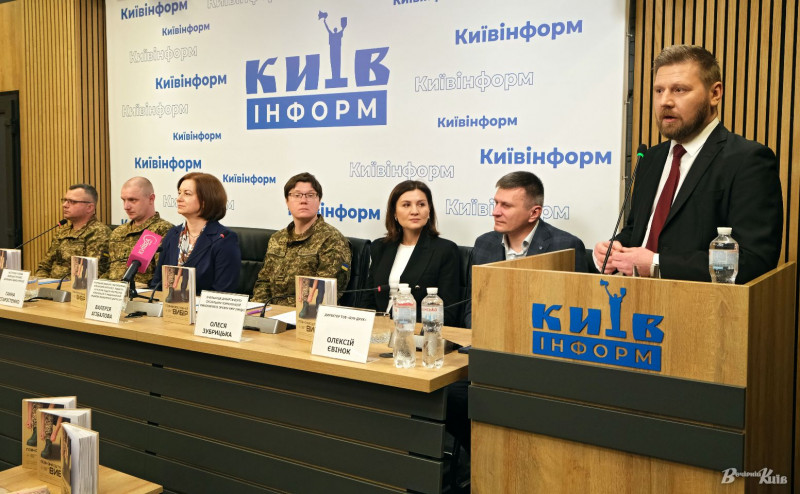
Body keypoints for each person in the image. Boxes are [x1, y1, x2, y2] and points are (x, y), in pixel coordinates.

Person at [593, 45, 783, 283]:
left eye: (679, 90)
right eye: (659, 90)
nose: (665, 101)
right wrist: (615, 248)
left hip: (700, 304)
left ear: (715, 94)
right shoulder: (650, 158)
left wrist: (656, 264)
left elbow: (754, 261)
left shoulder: (748, 160)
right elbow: (638, 231)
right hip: (636, 300)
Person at [464, 171, 588, 329]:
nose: (495, 212)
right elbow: (472, 308)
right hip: (489, 336)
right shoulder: (484, 243)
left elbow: (576, 314)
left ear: (534, 213)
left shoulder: (565, 247)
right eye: (496, 203)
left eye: (506, 206)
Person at [361, 180, 461, 326]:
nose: (415, 211)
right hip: (379, 330)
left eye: (421, 204)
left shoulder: (445, 250)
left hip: (416, 330)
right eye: (406, 205)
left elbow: (449, 312)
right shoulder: (380, 247)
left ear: (429, 210)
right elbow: (368, 299)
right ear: (394, 212)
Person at [252, 172, 351, 306]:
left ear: (319, 200)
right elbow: (263, 282)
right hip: (271, 314)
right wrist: (258, 312)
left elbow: (321, 295)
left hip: (306, 315)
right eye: (297, 195)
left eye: (310, 195)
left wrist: (281, 312)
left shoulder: (333, 240)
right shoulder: (277, 238)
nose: (303, 200)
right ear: (287, 201)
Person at [151, 172, 240, 294]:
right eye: (179, 193)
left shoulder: (224, 239)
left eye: (187, 194)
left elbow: (223, 292)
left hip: (205, 306)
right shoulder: (173, 234)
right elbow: (157, 283)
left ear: (206, 200)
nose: (179, 199)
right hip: (168, 303)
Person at [102, 177, 172, 285]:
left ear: (151, 199)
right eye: (123, 200)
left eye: (132, 200)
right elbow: (109, 270)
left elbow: (163, 279)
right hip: (112, 291)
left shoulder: (163, 231)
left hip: (143, 293)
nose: (126, 206)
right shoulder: (118, 232)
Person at [35, 184, 111, 279]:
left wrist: (57, 285)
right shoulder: (62, 232)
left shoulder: (99, 233)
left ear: (89, 207)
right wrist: (42, 282)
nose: (64, 205)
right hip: (51, 285)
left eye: (72, 202)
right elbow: (44, 266)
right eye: (65, 200)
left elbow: (90, 274)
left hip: (75, 286)